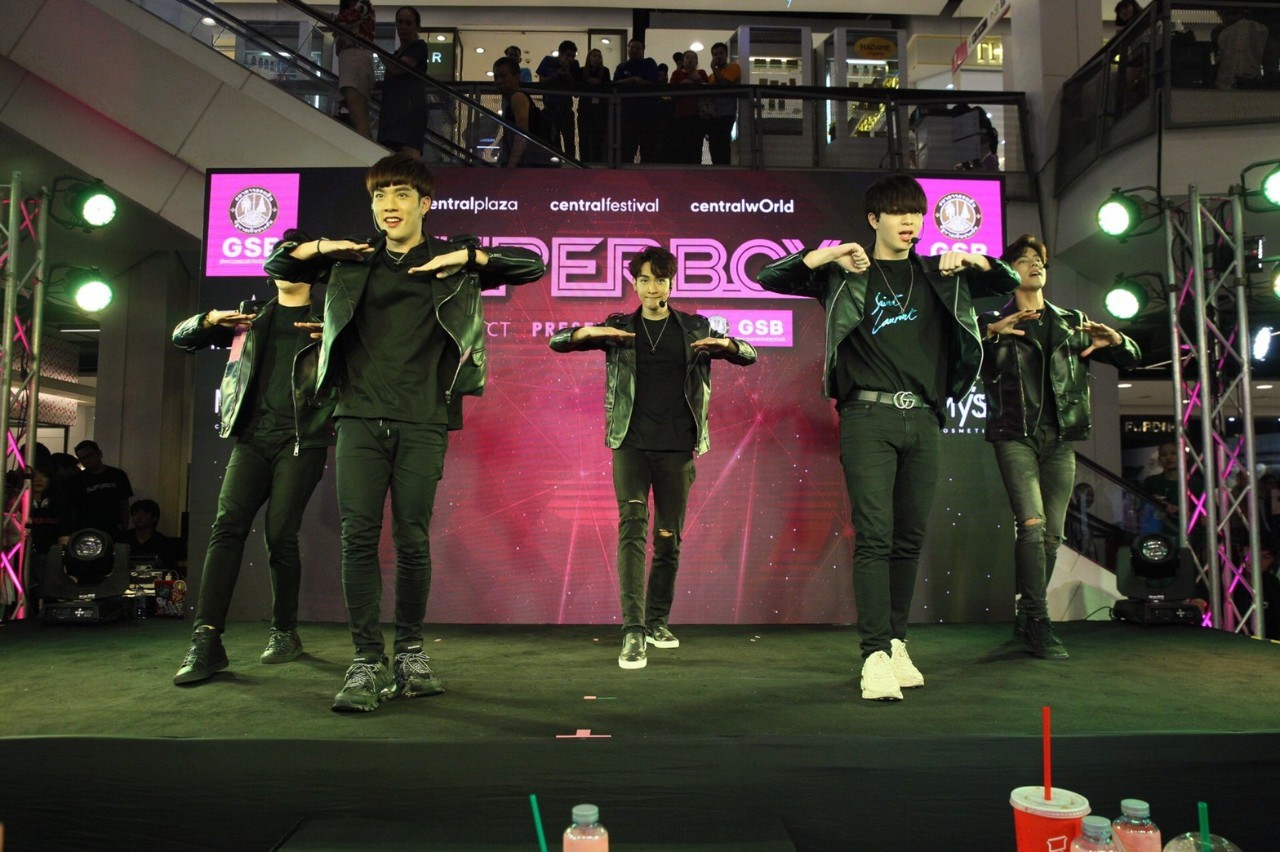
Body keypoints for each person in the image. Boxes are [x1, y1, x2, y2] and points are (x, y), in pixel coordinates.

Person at [264, 153, 546, 712]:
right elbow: (279, 261)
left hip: (423, 418)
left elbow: (531, 265)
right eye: (379, 195)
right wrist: (325, 247)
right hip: (358, 417)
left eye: (400, 194)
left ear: (424, 203)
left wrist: (467, 256)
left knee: (413, 540)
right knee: (358, 539)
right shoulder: (352, 260)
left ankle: (411, 654)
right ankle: (366, 660)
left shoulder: (449, 260)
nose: (388, 205)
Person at [755, 173, 1019, 701]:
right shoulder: (846, 275)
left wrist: (973, 259)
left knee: (909, 538)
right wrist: (831, 254)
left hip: (924, 418)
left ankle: (897, 642)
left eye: (916, 213)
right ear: (874, 219)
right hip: (866, 417)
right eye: (899, 213)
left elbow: (1006, 281)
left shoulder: (941, 274)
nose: (910, 222)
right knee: (875, 536)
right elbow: (768, 275)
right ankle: (873, 653)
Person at [550, 247, 757, 669]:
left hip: (677, 447)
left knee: (667, 538)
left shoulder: (694, 327)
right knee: (631, 528)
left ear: (671, 283)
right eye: (644, 279)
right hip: (631, 444)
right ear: (634, 283)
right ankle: (633, 630)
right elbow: (557, 342)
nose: (652, 287)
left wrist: (726, 344)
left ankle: (657, 620)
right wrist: (587, 333)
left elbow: (748, 354)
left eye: (660, 280)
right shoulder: (620, 326)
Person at [170, 247, 334, 684]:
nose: (285, 265)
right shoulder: (251, 318)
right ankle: (206, 640)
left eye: (296, 259)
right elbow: (182, 339)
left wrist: (336, 339)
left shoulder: (329, 319)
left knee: (280, 535)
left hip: (301, 439)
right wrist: (208, 320)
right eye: (281, 257)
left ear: (313, 272)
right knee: (226, 528)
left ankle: (284, 631)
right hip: (251, 440)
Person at [980, 234, 1141, 659]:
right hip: (1016, 435)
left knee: (1053, 535)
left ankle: (1025, 615)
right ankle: (1038, 620)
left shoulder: (1072, 321)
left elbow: (1132, 358)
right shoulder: (995, 321)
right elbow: (959, 357)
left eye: (1039, 259)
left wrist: (1116, 341)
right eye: (1024, 260)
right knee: (1032, 526)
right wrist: (990, 333)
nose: (1035, 264)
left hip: (1060, 441)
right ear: (1009, 271)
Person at [377, 6, 430, 158]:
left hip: (409, 113)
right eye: (400, 22)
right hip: (392, 115)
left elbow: (399, 68)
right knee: (392, 162)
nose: (403, 27)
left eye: (408, 23)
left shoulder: (419, 47)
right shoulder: (397, 54)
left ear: (417, 27)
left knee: (408, 160)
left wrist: (375, 49)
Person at [492, 55, 551, 167]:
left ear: (516, 77)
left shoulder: (518, 97)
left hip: (527, 165)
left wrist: (511, 166)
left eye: (503, 76)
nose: (498, 81)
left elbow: (522, 135)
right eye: (496, 77)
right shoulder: (513, 100)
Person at [65, 440, 133, 538]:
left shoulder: (117, 475)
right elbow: (73, 508)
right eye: (82, 459)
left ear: (99, 453)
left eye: (89, 456)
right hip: (86, 529)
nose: (86, 461)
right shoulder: (77, 480)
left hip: (113, 527)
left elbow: (124, 503)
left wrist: (124, 528)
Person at [614, 38, 661, 164]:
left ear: (643, 51)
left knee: (648, 149)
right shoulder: (622, 67)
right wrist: (632, 80)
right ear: (628, 49)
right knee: (627, 149)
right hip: (627, 114)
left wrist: (641, 82)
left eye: (638, 48)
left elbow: (654, 82)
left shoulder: (649, 64)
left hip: (648, 114)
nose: (635, 50)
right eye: (632, 47)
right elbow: (615, 84)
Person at [333, 0, 375, 139]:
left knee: (359, 119)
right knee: (358, 117)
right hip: (352, 60)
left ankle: (367, 151)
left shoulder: (362, 5)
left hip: (354, 58)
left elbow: (338, 20)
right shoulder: (359, 6)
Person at [536, 39, 582, 160]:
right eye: (568, 55)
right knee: (551, 142)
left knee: (569, 144)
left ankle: (570, 165)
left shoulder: (574, 65)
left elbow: (576, 90)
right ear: (560, 54)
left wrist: (567, 73)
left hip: (566, 110)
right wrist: (557, 74)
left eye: (573, 56)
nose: (570, 59)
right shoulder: (548, 61)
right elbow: (541, 83)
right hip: (550, 109)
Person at [124, 499, 187, 577]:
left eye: (144, 513)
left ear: (154, 518)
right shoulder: (124, 539)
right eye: (135, 513)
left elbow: (171, 572)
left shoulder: (164, 543)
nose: (138, 517)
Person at [669, 50, 708, 164]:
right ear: (683, 60)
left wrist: (698, 80)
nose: (690, 60)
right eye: (687, 57)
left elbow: (708, 90)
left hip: (698, 115)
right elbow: (670, 92)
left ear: (696, 61)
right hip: (681, 114)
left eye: (693, 58)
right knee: (681, 146)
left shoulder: (701, 73)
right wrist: (682, 86)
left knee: (696, 146)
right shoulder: (677, 74)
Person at [705, 42, 741, 166]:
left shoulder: (734, 68)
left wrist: (714, 68)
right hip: (712, 115)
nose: (718, 57)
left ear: (726, 54)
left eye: (721, 53)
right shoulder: (711, 76)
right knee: (713, 146)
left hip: (726, 113)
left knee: (723, 145)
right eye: (715, 54)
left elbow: (724, 84)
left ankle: (725, 170)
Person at [578, 48, 611, 163]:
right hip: (585, 108)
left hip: (600, 110)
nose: (597, 59)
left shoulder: (605, 71)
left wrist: (599, 83)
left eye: (599, 57)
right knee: (584, 137)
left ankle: (599, 162)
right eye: (594, 56)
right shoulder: (582, 71)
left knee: (599, 137)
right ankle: (584, 162)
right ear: (589, 58)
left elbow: (608, 87)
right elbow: (577, 87)